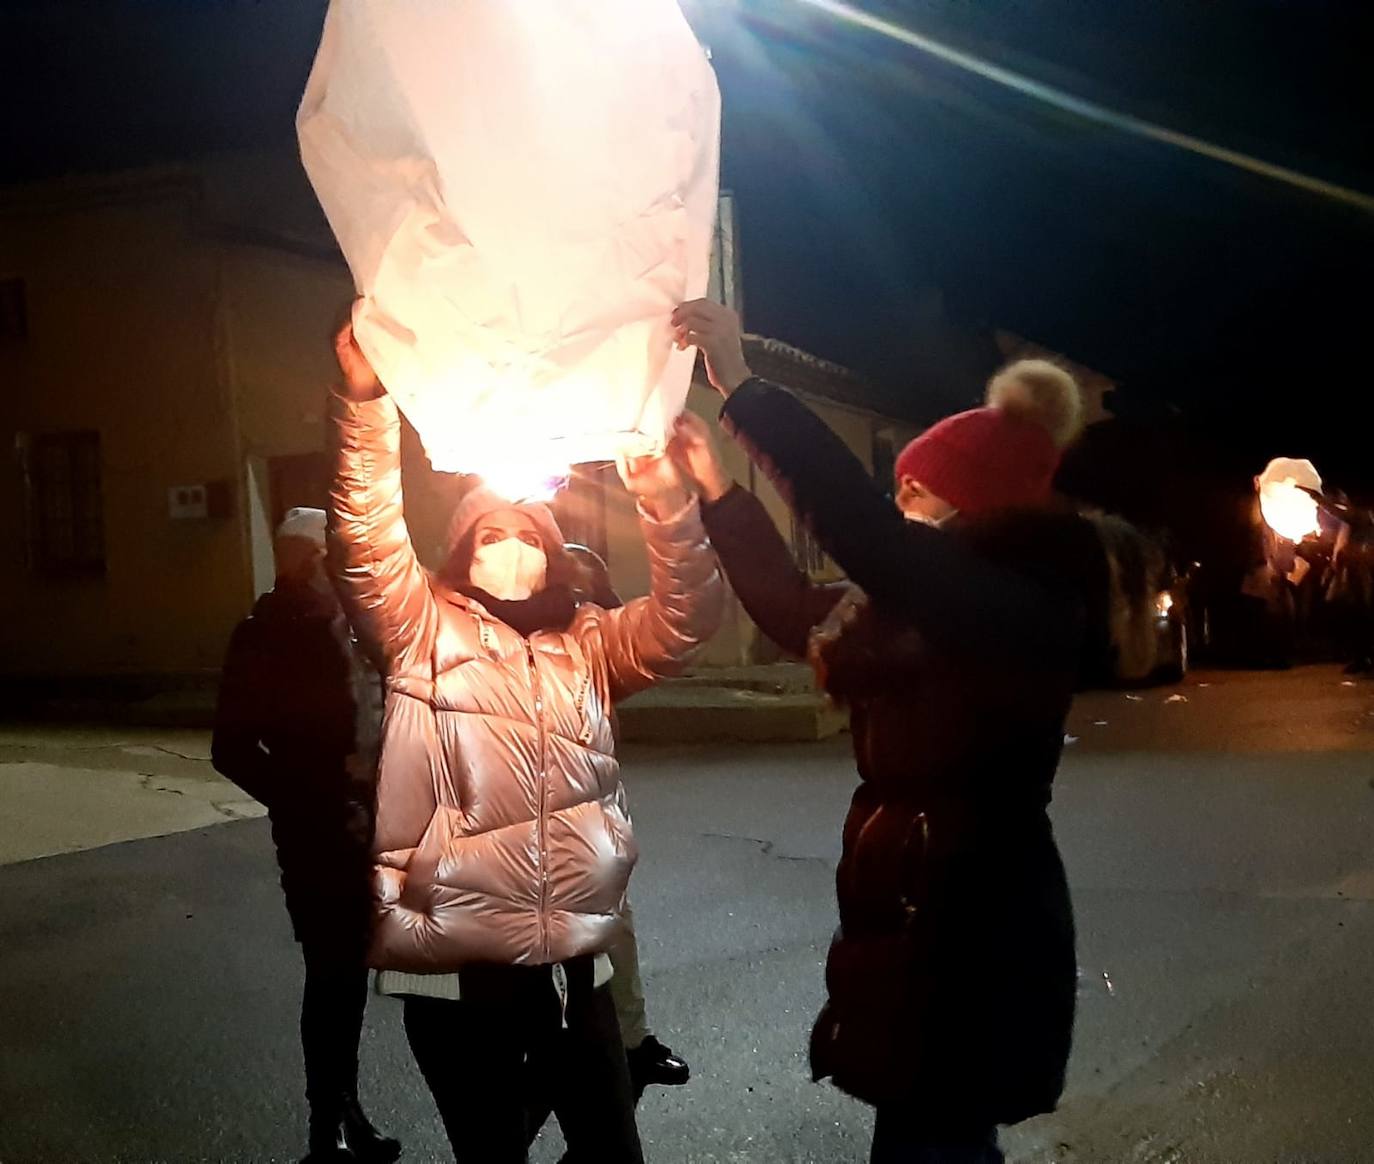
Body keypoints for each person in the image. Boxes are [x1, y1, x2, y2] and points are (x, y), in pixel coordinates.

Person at [667, 300, 1112, 1164]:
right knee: (926, 1127)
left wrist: (746, 388)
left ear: (974, 501)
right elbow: (799, 610)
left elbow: (862, 530)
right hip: (912, 904)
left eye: (916, 486)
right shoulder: (929, 601)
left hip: (973, 919)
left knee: (936, 1133)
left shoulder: (1015, 600)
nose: (897, 500)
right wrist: (717, 493)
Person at [328, 320, 723, 1164]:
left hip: (578, 964)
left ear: (553, 556)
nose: (510, 550)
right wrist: (366, 404)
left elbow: (689, 621)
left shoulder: (588, 641)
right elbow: (365, 543)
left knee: (613, 1150)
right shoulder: (419, 628)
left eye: (528, 538)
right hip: (455, 965)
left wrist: (664, 498)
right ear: (462, 550)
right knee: (492, 1154)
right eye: (489, 535)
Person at [212, 507, 400, 1164]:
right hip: (318, 832)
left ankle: (349, 1113)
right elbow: (232, 747)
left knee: (372, 976)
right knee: (333, 975)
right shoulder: (266, 635)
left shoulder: (361, 627)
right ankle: (329, 1128)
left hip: (384, 821)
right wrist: (310, 796)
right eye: (320, 560)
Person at [563, 543, 692, 1099]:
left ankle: (632, 1045)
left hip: (597, 813)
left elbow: (653, 638)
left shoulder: (594, 643)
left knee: (617, 937)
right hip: (536, 832)